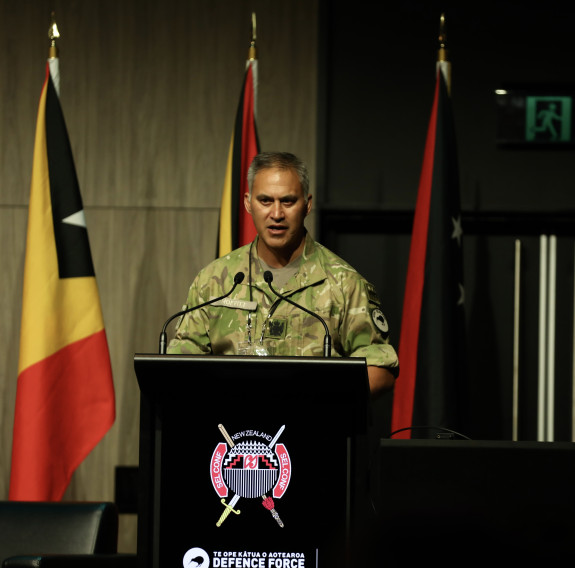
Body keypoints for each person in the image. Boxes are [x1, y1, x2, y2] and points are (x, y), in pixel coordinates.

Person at [167, 151, 399, 396]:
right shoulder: (214, 282)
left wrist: (320, 401)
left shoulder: (344, 283)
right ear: (248, 203)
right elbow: (178, 364)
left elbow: (379, 369)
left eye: (287, 201)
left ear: (307, 205)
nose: (276, 214)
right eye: (265, 201)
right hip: (230, 430)